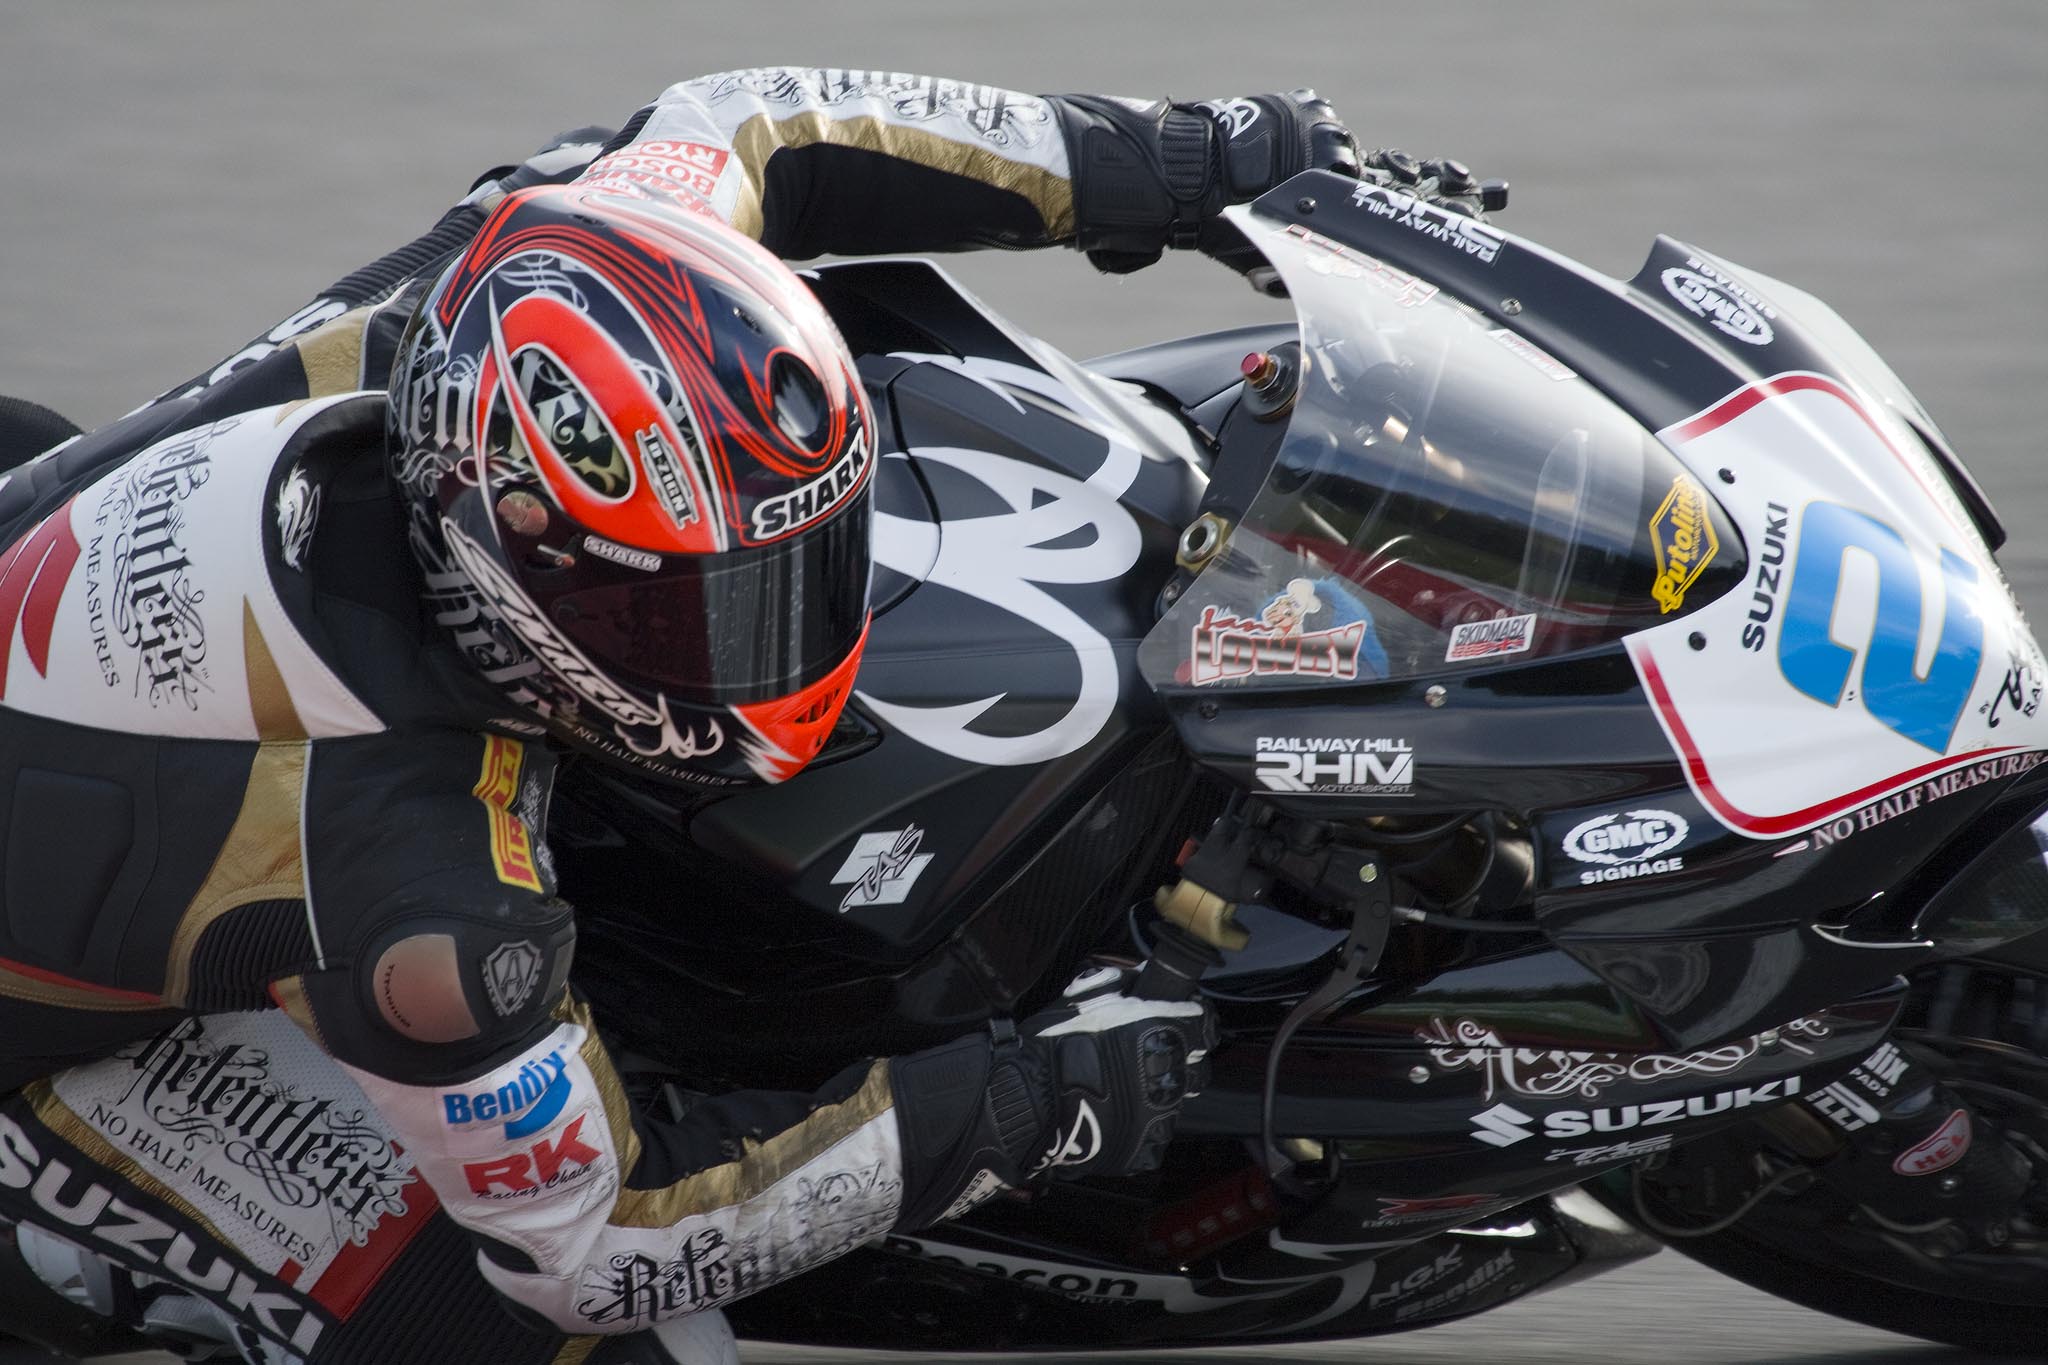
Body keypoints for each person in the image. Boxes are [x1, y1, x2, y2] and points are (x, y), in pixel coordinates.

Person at [0, 67, 1420, 1363]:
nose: (785, 643)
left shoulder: (542, 261)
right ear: (516, 570)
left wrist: (1182, 164)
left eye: (808, 568)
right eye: (715, 610)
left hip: (70, 605)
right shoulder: (415, 891)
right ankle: (80, 1263)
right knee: (591, 1345)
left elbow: (756, 121)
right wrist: (1015, 1107)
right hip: (57, 1046)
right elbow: (597, 1243)